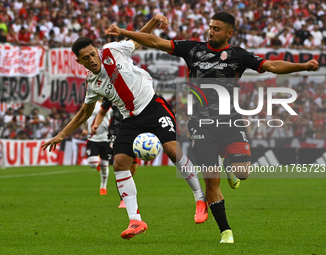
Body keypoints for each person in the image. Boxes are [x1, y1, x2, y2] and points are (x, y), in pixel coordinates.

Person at [107, 11, 320, 243]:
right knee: (211, 179)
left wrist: (304, 67)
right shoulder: (193, 49)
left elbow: (272, 65)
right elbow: (155, 41)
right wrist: (124, 32)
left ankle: (231, 165)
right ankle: (225, 231)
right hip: (201, 126)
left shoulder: (238, 55)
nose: (211, 31)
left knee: (243, 173)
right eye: (210, 27)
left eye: (216, 28)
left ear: (229, 33)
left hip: (231, 122)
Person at [42, 14, 207, 240]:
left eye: (92, 54)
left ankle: (200, 198)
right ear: (79, 62)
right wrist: (61, 135)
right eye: (85, 58)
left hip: (153, 106)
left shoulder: (112, 50)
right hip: (130, 118)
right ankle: (135, 220)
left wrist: (154, 23)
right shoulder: (92, 83)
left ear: (97, 50)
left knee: (171, 149)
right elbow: (85, 112)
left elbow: (139, 39)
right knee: (119, 163)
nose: (91, 59)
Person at [92, 97, 138, 208]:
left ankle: (126, 193)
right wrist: (96, 124)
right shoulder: (111, 94)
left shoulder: (135, 92)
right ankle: (123, 199)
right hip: (116, 133)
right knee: (120, 166)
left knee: (132, 170)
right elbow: (102, 111)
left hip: (133, 131)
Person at [82, 99, 112, 195]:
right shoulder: (91, 102)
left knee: (104, 166)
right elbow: (84, 116)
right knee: (93, 164)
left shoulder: (110, 103)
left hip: (106, 138)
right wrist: (85, 129)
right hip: (92, 137)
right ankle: (97, 162)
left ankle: (103, 187)